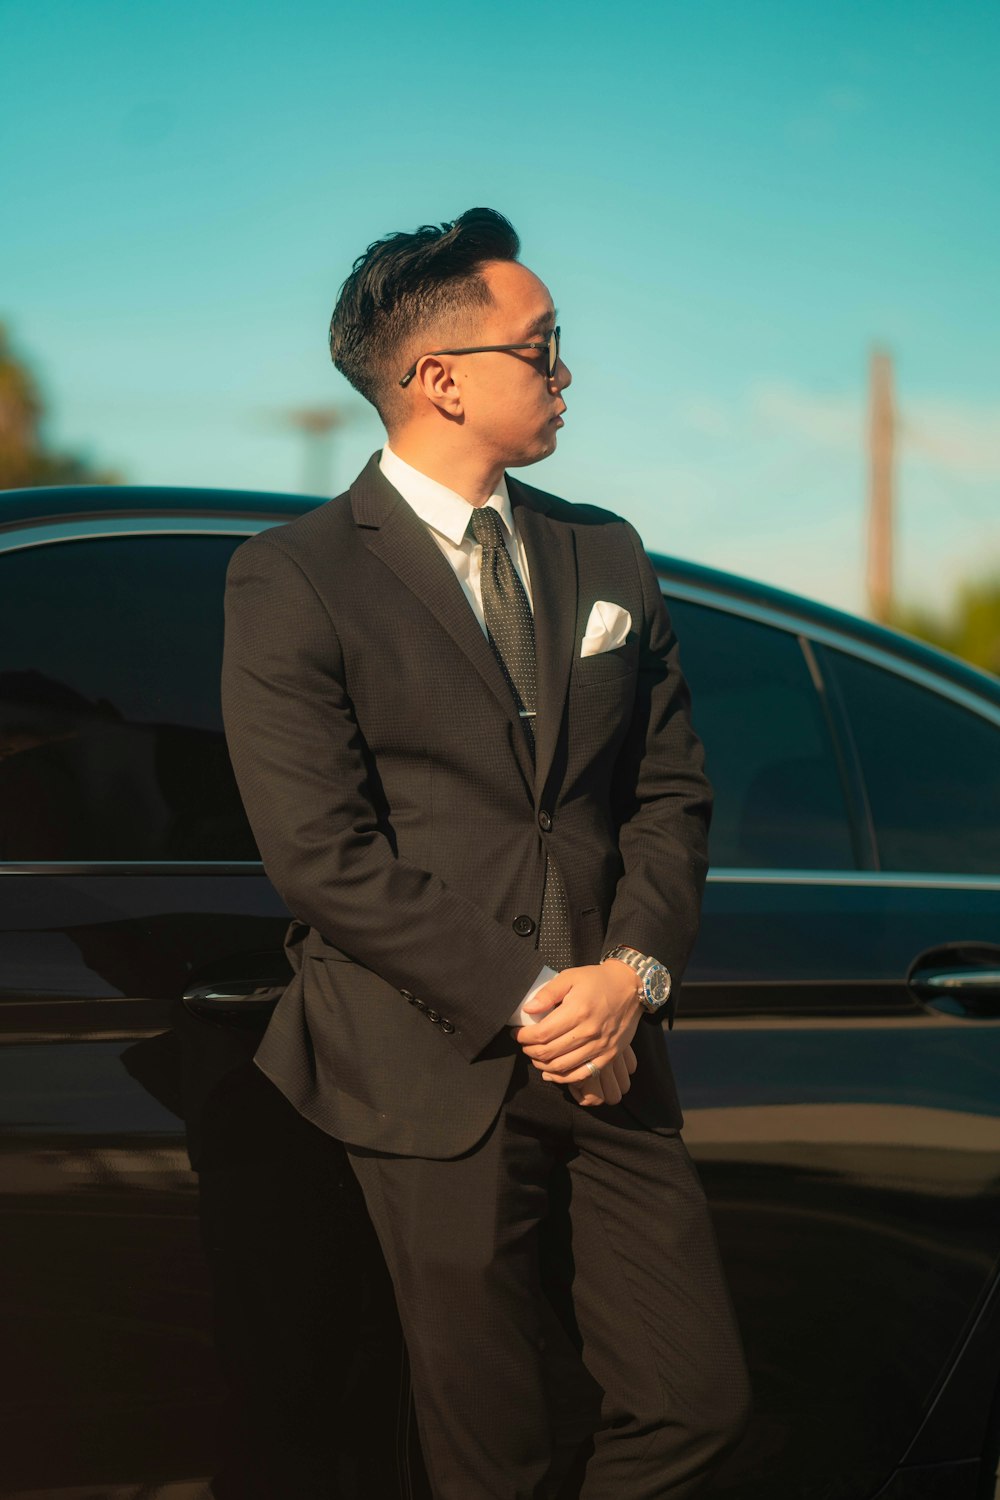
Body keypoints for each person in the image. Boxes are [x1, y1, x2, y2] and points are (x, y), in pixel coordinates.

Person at [221, 207, 750, 1499]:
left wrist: (631, 976)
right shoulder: (290, 579)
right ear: (438, 378)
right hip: (430, 1060)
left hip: (614, 1046)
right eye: (544, 347)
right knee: (487, 1449)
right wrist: (526, 1000)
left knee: (699, 1406)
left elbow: (669, 797)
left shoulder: (603, 550)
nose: (568, 373)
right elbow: (320, 854)